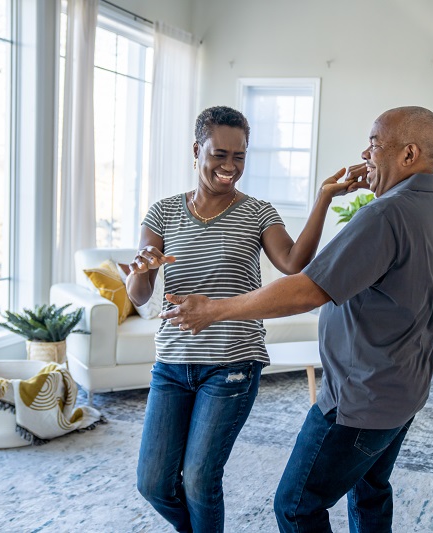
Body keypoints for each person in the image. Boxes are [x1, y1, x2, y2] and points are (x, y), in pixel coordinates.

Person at [160, 106, 433, 532]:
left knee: (296, 506)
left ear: (409, 154)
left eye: (374, 144)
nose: (365, 153)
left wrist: (213, 309)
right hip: (407, 389)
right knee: (369, 490)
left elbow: (305, 288)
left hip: (361, 398)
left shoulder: (385, 215)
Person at [126, 105, 364, 533]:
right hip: (173, 365)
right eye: (219, 155)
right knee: (153, 482)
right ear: (196, 150)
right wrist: (142, 271)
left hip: (233, 363)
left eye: (239, 156)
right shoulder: (162, 212)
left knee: (199, 479)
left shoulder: (257, 212)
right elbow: (142, 295)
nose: (230, 167)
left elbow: (293, 263)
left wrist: (324, 198)